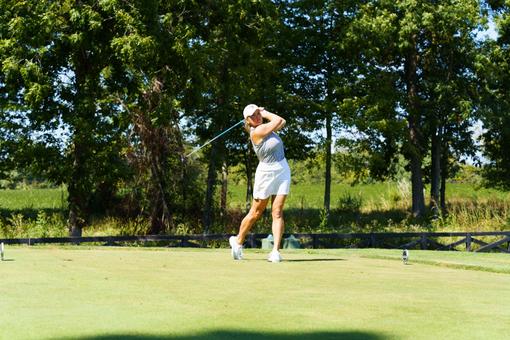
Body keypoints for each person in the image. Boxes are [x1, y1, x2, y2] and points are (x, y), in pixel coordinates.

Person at [229, 104, 291, 263]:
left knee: (277, 212)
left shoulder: (267, 127)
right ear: (247, 121)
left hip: (282, 169)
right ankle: (237, 241)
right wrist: (265, 112)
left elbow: (282, 121)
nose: (257, 116)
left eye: (258, 113)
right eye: (253, 115)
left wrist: (263, 114)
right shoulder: (256, 132)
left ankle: (276, 251)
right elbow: (277, 119)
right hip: (266, 173)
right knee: (256, 212)